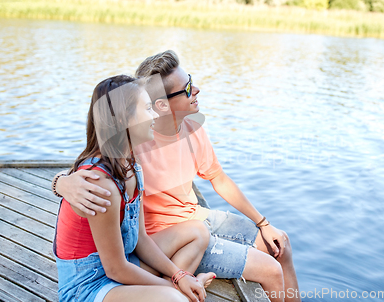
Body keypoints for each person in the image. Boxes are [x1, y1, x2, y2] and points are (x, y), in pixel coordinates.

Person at [53, 52, 301, 302]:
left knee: (280, 245)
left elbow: (218, 177)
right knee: (270, 269)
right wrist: (62, 182)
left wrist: (263, 223)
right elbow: (90, 169)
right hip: (133, 253)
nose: (197, 91)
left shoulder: (140, 159)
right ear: (159, 106)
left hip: (189, 223)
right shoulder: (129, 152)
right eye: (188, 88)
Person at [53, 74, 215, 302]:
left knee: (197, 231)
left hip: (123, 261)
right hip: (87, 286)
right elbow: (116, 270)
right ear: (123, 120)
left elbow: (140, 239)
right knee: (173, 299)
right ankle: (175, 293)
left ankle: (175, 289)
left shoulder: (130, 165)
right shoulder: (100, 184)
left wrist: (179, 276)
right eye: (148, 108)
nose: (155, 115)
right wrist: (173, 286)